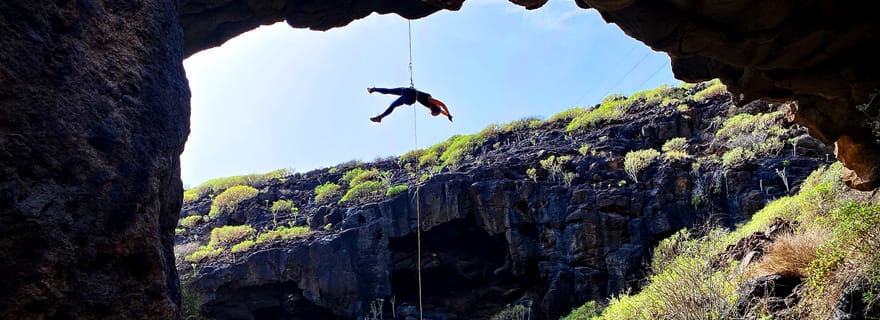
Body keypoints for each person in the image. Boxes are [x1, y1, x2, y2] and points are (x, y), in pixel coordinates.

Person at [368, 87, 453, 123]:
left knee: (390, 93)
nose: (429, 111)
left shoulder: (432, 105)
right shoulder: (430, 101)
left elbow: (441, 109)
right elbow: (442, 105)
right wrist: (448, 114)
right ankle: (380, 117)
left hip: (408, 93)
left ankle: (374, 89)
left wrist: (448, 115)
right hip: (410, 95)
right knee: (392, 104)